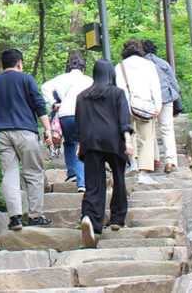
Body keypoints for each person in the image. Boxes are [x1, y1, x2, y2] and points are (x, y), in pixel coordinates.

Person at [0, 48, 54, 231]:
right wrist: (48, 129)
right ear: (20, 63)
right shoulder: (27, 79)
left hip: (1, 135)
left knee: (9, 175)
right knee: (33, 172)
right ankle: (35, 216)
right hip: (26, 132)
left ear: (2, 65)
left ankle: (15, 217)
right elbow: (39, 105)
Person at [75, 58, 134, 248]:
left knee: (93, 182)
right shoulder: (117, 93)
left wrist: (78, 145)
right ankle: (117, 218)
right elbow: (124, 119)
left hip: (91, 142)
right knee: (119, 178)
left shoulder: (82, 96)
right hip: (113, 140)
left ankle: (90, 218)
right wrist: (129, 141)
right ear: (111, 74)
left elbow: (79, 124)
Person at [41, 54, 93, 191]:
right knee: (83, 145)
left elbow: (45, 87)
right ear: (83, 69)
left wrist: (53, 103)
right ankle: (82, 183)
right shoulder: (88, 80)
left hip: (65, 114)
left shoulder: (61, 78)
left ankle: (72, 173)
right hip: (84, 114)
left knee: (69, 142)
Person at [115, 39, 163, 181]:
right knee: (147, 138)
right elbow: (155, 86)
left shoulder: (120, 67)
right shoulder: (148, 65)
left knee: (131, 135)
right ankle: (143, 172)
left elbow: (118, 88)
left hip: (126, 106)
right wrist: (158, 106)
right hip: (146, 106)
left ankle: (133, 163)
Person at [142, 39, 182, 173]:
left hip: (149, 100)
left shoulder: (142, 64)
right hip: (166, 98)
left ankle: (154, 159)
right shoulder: (163, 63)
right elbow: (175, 85)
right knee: (167, 129)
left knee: (150, 129)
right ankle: (170, 161)